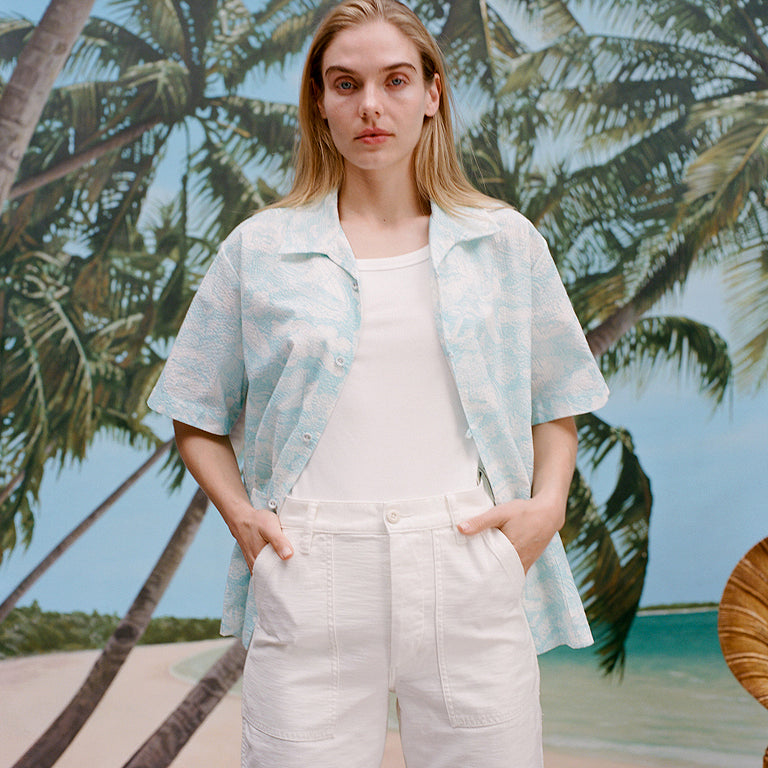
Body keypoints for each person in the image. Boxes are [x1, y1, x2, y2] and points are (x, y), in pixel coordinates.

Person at [148, 0, 609, 765]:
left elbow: (556, 395)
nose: (371, 106)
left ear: (432, 94)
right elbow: (193, 408)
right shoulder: (258, 250)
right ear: (319, 103)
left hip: (469, 562)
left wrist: (545, 510)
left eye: (395, 80)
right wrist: (243, 519)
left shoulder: (503, 241)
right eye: (344, 84)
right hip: (312, 567)